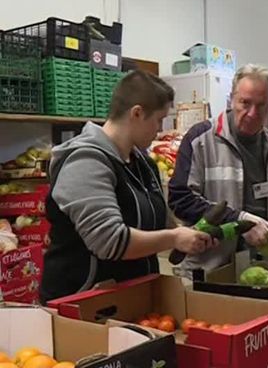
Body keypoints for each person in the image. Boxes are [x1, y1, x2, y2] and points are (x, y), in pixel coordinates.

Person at [41, 70, 217, 304]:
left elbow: (159, 223)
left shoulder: (143, 164)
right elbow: (110, 242)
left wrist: (193, 235)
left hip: (132, 299)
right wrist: (174, 238)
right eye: (159, 120)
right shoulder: (85, 163)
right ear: (137, 113)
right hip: (81, 305)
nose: (160, 129)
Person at [168, 64, 268, 273]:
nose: (252, 113)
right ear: (231, 99)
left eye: (261, 106)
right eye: (245, 103)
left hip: (263, 268)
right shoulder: (200, 139)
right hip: (209, 269)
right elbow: (181, 198)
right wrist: (241, 220)